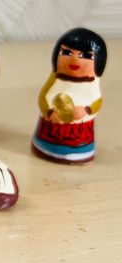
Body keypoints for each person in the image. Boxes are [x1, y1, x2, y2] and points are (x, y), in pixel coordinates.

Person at [32, 28, 106, 164]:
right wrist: (49, 112)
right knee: (48, 141)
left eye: (86, 56)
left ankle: (78, 154)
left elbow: (97, 101)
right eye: (66, 52)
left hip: (80, 128)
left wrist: (86, 110)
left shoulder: (92, 83)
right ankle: (45, 149)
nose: (74, 59)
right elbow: (43, 97)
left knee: (79, 144)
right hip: (52, 125)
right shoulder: (55, 78)